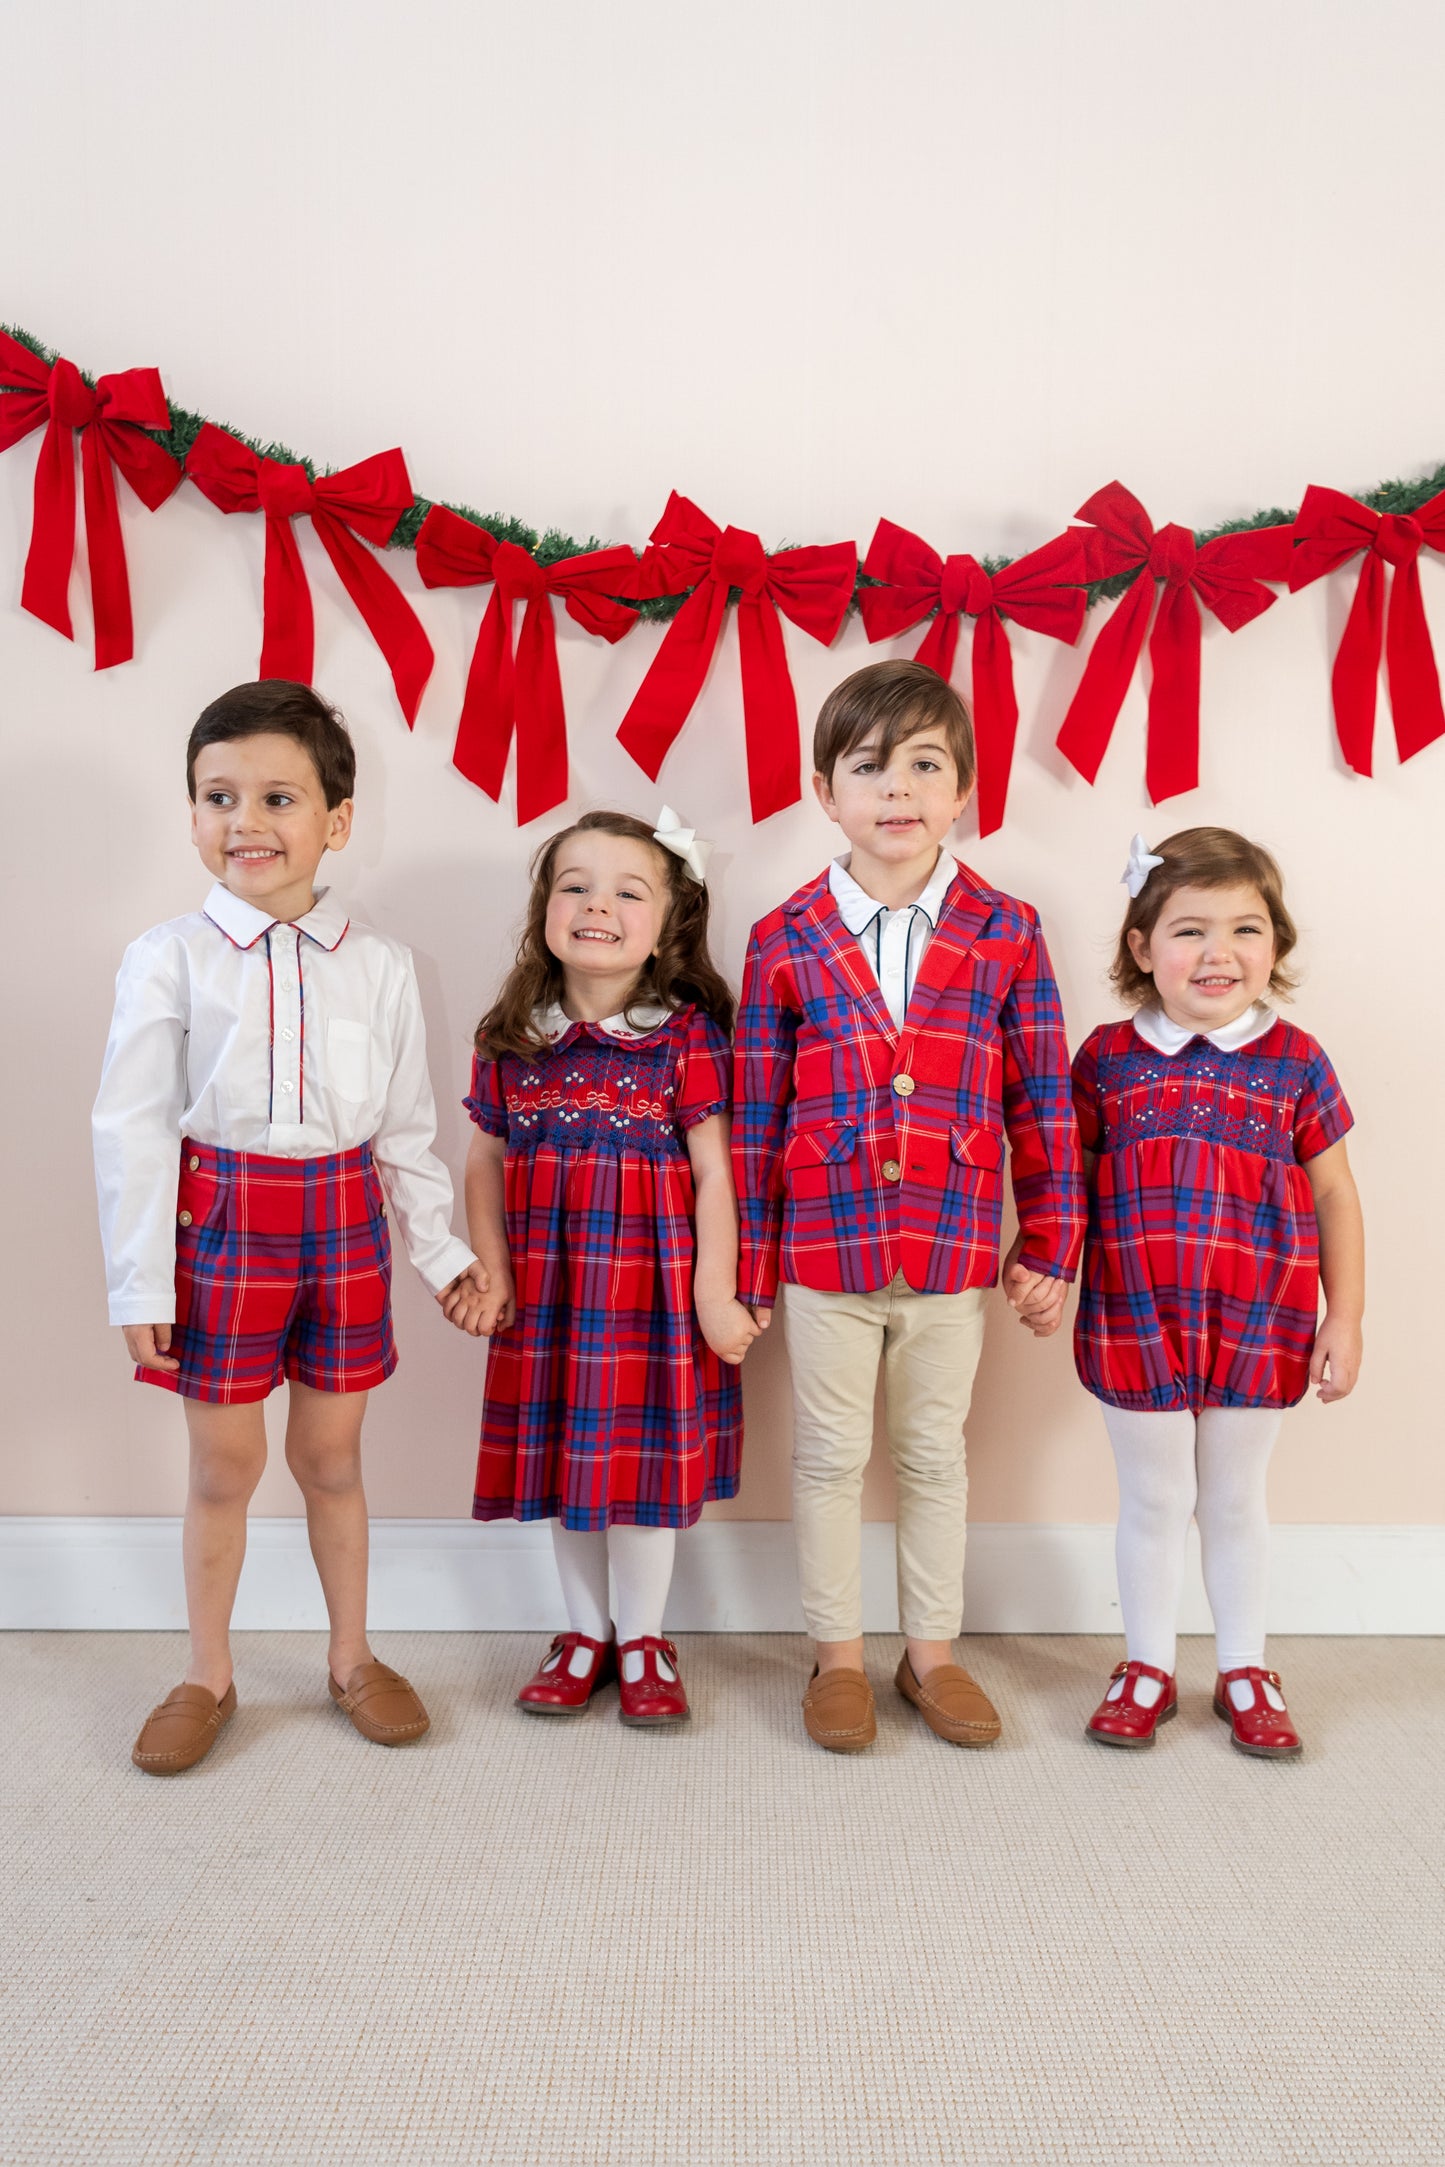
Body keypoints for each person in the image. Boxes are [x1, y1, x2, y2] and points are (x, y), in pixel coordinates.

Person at [93, 680, 489, 1774]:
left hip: (345, 1223)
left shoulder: (384, 967)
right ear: (190, 814)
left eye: (276, 797)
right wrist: (141, 1286)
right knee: (224, 1464)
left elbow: (408, 1134)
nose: (245, 822)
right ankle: (205, 1671)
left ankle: (351, 1654)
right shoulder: (167, 956)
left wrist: (443, 1255)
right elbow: (128, 1129)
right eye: (218, 796)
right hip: (219, 1222)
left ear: (337, 820)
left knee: (330, 1453)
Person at [732, 660, 1086, 1753]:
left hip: (953, 1246)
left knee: (935, 1452)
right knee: (828, 1456)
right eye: (868, 766)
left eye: (923, 765)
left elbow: (1042, 1092)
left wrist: (1053, 1238)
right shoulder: (782, 936)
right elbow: (752, 1120)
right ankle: (835, 1655)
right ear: (823, 791)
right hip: (821, 1249)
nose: (896, 789)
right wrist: (747, 1267)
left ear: (962, 791)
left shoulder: (1006, 929)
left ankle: (929, 1649)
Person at [462, 808, 755, 1726]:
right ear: (545, 909)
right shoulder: (514, 1035)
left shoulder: (684, 1038)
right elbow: (482, 1158)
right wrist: (492, 1268)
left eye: (628, 890)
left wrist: (715, 1292)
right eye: (574, 885)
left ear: (668, 923)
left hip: (650, 1297)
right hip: (550, 1293)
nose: (597, 904)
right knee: (568, 1464)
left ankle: (643, 1637)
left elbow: (716, 1170)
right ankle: (582, 1631)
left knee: (638, 1474)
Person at [1075, 828, 1364, 1758]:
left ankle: (1243, 1664)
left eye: (1244, 929)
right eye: (1189, 930)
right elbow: (1064, 1180)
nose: (1217, 953)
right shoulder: (1108, 1058)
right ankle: (1147, 1664)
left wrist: (1344, 1315)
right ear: (1140, 947)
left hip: (1259, 1315)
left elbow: (1332, 1191)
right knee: (1153, 1498)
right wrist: (1038, 1263)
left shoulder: (1294, 1060)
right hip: (1135, 1314)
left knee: (1234, 1498)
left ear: (1272, 945)